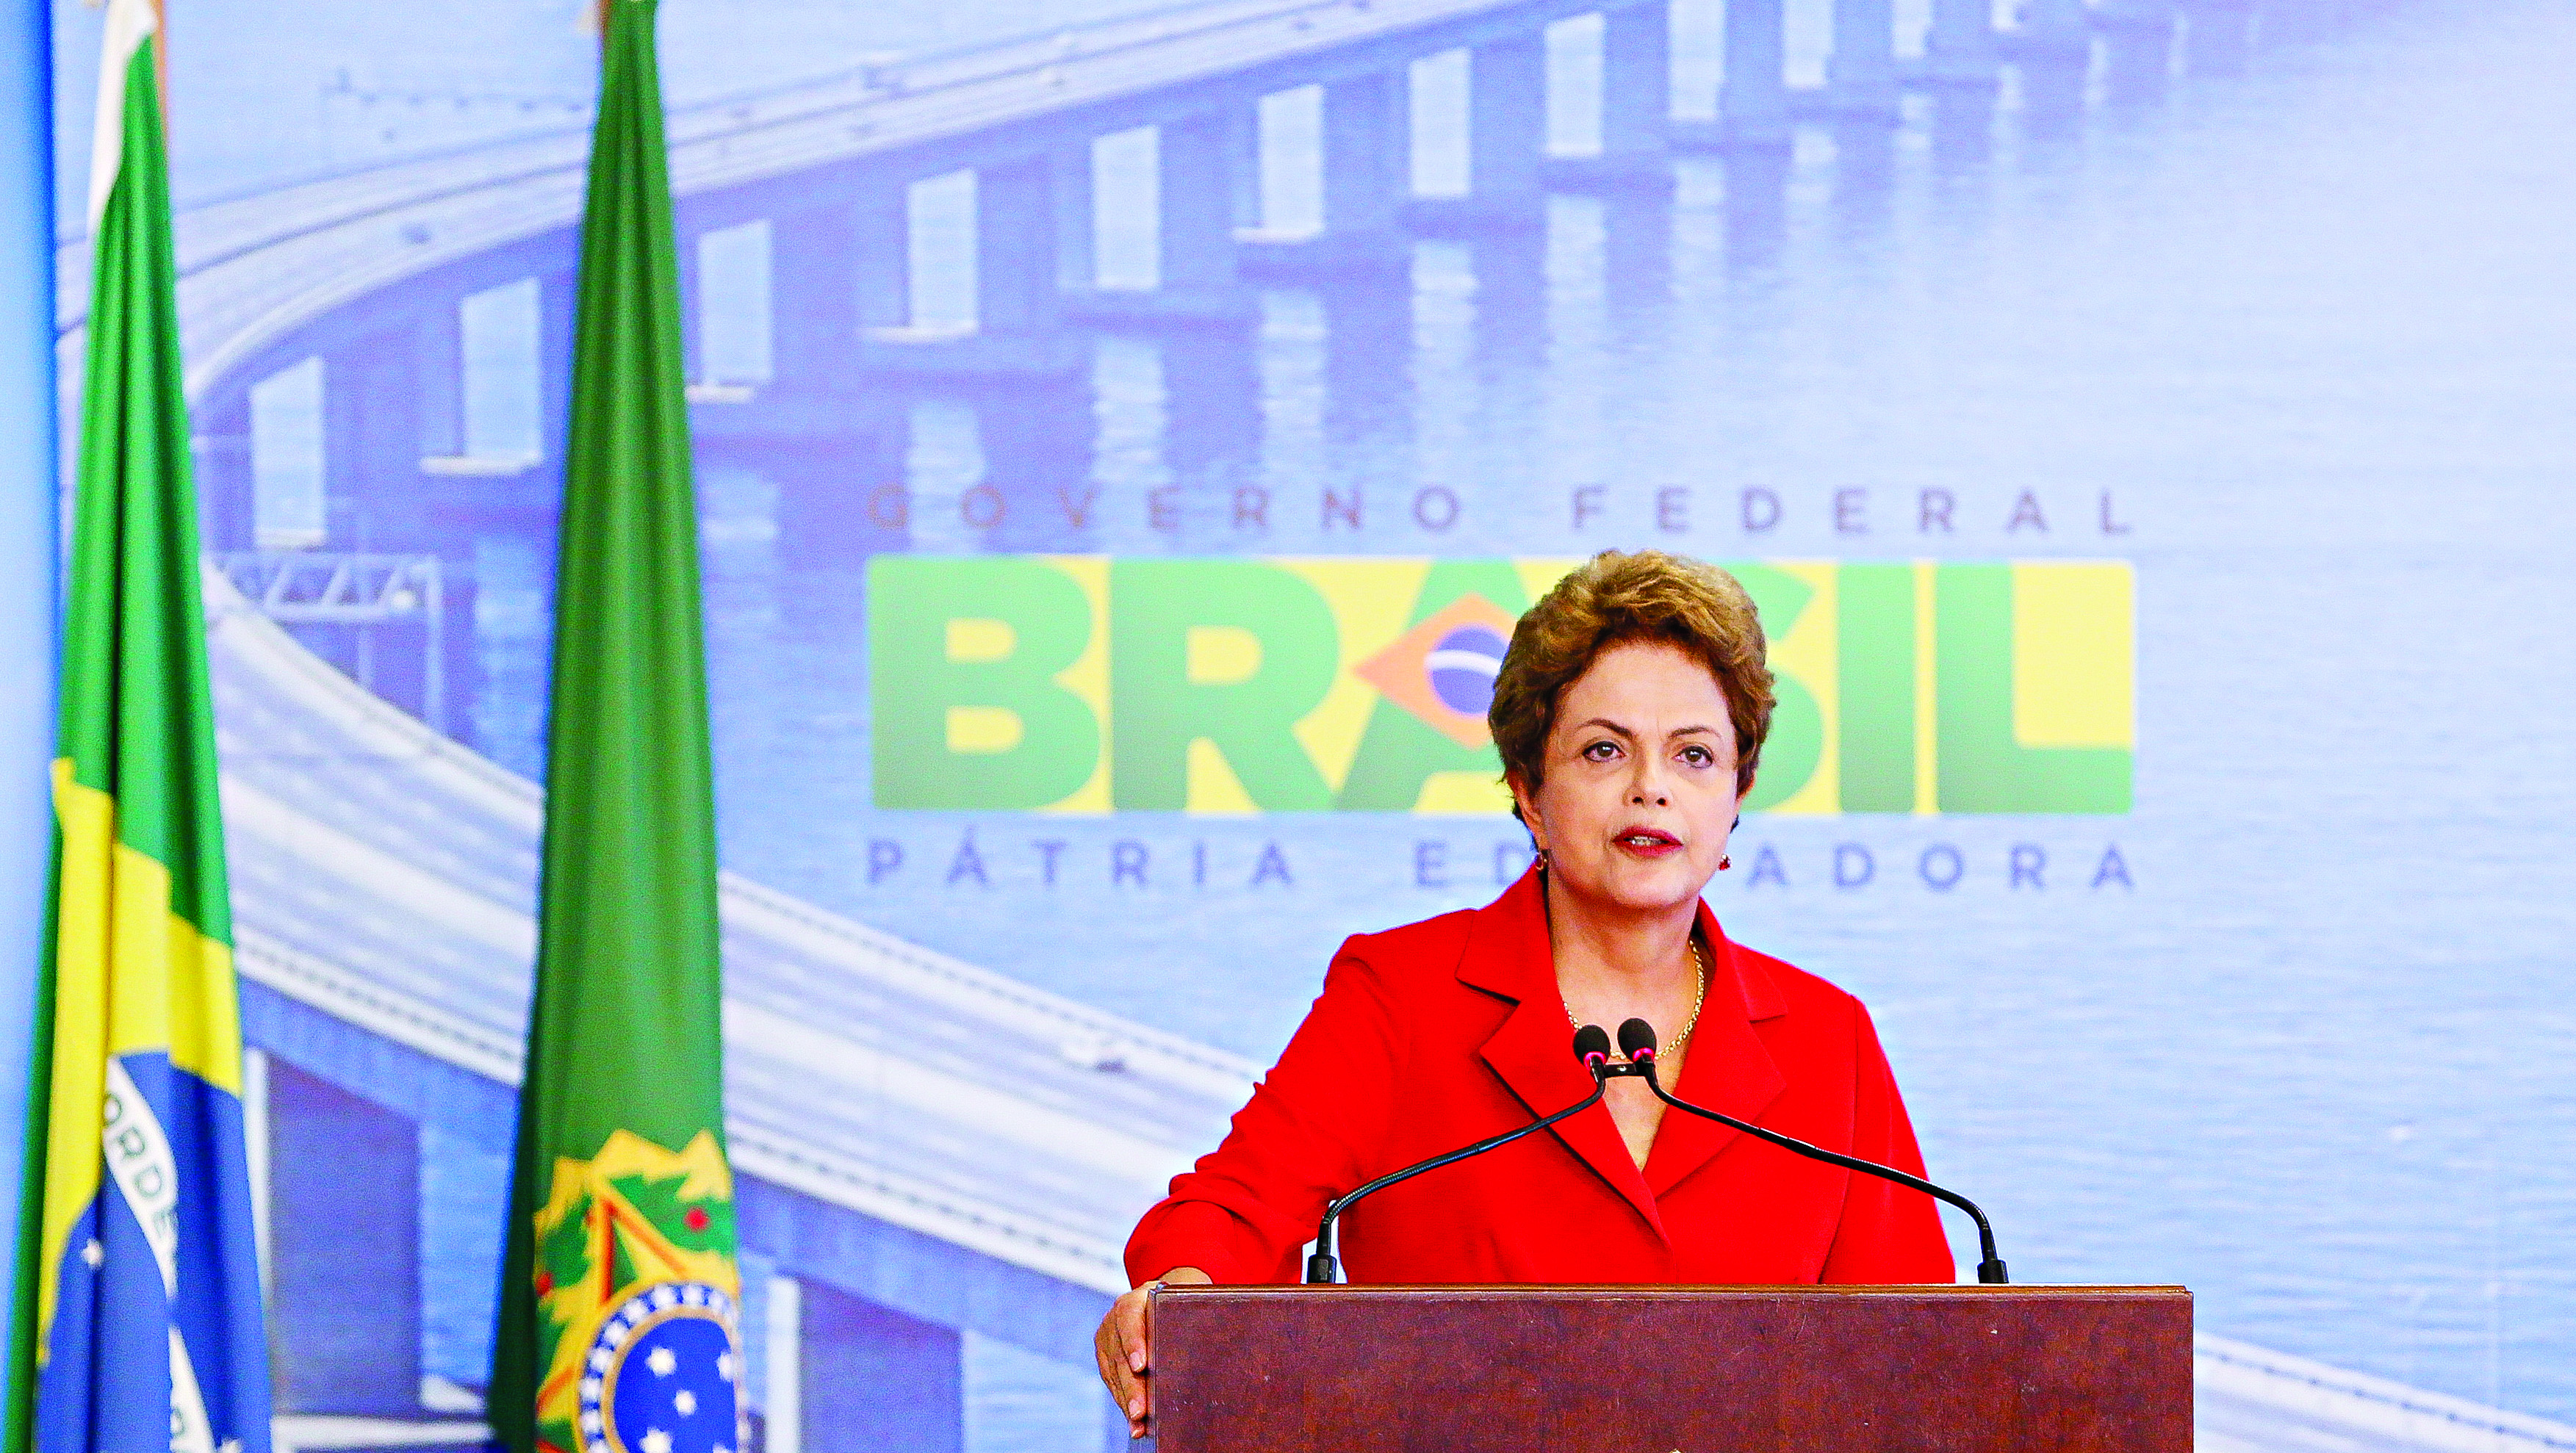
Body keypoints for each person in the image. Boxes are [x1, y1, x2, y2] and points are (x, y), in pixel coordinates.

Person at [1092, 549, 1954, 1438]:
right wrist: (1180, 1298)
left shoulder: (1824, 1036)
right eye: (1603, 749)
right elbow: (1232, 1210)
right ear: (1529, 794)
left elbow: (1918, 1351)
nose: (1649, 786)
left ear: (1734, 796)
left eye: (1693, 754)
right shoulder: (1402, 995)